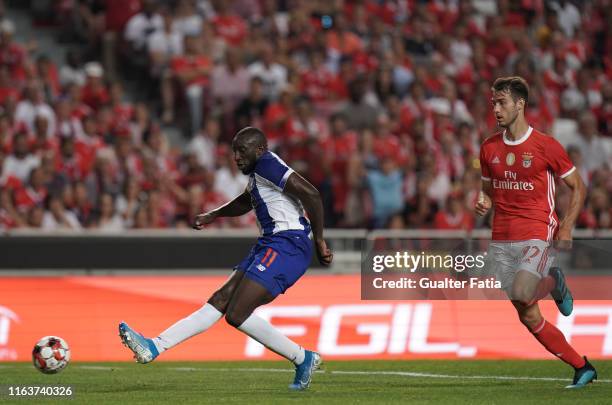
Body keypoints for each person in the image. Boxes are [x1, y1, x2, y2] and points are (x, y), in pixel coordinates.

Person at [119, 126, 333, 391]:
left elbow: (311, 193)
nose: (236, 156)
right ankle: (154, 346)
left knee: (237, 313)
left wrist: (320, 240)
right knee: (221, 300)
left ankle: (303, 357)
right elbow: (245, 202)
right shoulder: (259, 174)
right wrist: (213, 215)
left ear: (259, 149)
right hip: (270, 243)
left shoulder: (268, 163)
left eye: (242, 150)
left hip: (288, 244)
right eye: (234, 151)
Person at [475, 76, 595, 389]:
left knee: (525, 291)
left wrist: (566, 225)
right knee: (527, 313)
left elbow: (577, 185)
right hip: (502, 234)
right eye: (493, 103)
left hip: (537, 227)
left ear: (520, 104)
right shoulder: (488, 148)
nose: (496, 109)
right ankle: (582, 367)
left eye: (502, 103)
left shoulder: (545, 146)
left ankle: (553, 279)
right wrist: (483, 200)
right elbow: (487, 189)